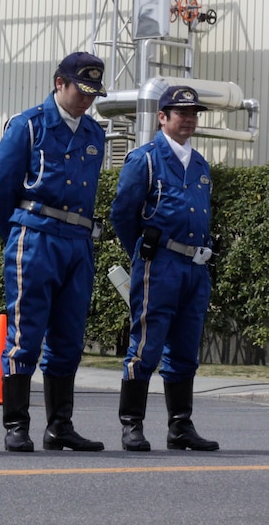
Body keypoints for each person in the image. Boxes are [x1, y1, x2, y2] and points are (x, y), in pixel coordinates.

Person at [0, 51, 107, 453]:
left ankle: (60, 426)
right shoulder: (29, 125)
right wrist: (19, 235)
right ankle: (17, 424)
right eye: (80, 90)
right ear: (60, 83)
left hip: (77, 241)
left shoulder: (94, 134)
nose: (86, 100)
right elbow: (0, 190)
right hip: (35, 235)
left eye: (92, 93)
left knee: (69, 336)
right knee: (26, 333)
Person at [109, 85, 218, 452]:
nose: (188, 119)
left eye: (193, 113)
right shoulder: (146, 158)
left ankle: (180, 426)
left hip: (194, 267)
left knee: (186, 348)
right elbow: (123, 214)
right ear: (162, 117)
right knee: (146, 345)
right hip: (160, 264)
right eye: (180, 112)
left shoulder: (200, 164)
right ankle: (132, 424)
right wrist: (143, 253)